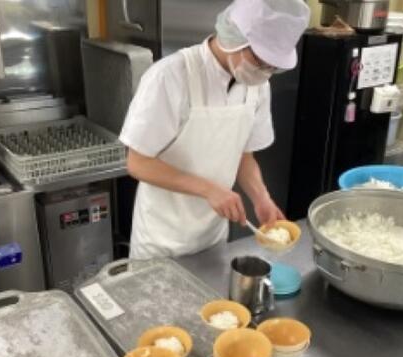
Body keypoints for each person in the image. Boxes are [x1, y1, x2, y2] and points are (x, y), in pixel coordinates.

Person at [120, 0, 310, 260]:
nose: (265, 72)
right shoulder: (170, 76)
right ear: (236, 37)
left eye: (273, 66)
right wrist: (209, 190)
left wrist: (261, 198)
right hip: (162, 240)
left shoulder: (257, 86)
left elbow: (243, 154)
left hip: (212, 238)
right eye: (260, 59)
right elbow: (138, 163)